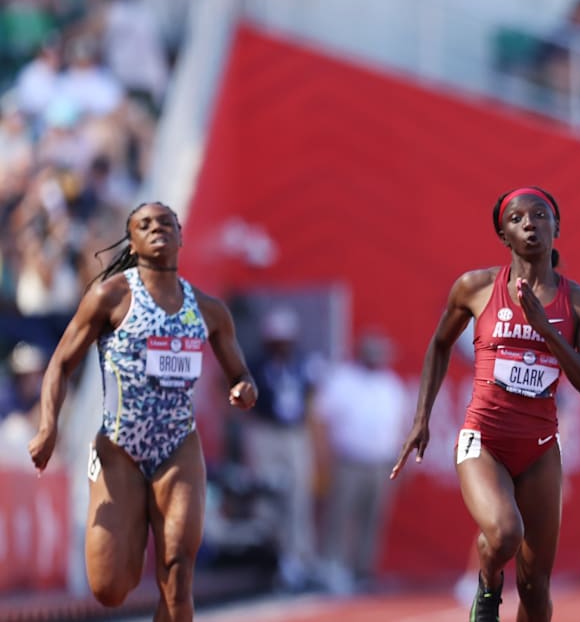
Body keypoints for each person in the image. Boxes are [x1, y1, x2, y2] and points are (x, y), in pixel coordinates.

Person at [26, 201, 257, 621]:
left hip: (178, 447)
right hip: (119, 448)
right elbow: (60, 363)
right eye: (144, 224)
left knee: (177, 570)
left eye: (166, 223)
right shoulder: (109, 296)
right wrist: (48, 428)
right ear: (132, 240)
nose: (157, 229)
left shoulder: (208, 310)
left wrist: (244, 387)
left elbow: (241, 373)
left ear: (181, 236)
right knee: (110, 587)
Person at [391, 186, 580, 622]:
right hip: (483, 439)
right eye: (516, 218)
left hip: (541, 448)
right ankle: (487, 587)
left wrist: (547, 331)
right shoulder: (475, 287)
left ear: (557, 227)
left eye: (540, 215)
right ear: (503, 235)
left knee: (534, 586)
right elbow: (438, 346)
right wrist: (422, 420)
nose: (530, 223)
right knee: (505, 533)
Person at [312, 330, 408, 595]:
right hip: (348, 461)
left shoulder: (391, 384)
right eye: (372, 352)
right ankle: (332, 568)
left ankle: (362, 570)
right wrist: (323, 458)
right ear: (361, 352)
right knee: (340, 515)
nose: (377, 358)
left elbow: (400, 427)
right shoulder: (343, 380)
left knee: (372, 518)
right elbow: (322, 420)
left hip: (380, 463)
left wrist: (401, 461)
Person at [243, 305, 318, 592]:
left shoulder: (302, 364)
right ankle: (270, 558)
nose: (282, 346)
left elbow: (310, 399)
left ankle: (299, 559)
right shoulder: (256, 365)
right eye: (277, 340)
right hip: (265, 432)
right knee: (265, 495)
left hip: (295, 434)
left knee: (298, 495)